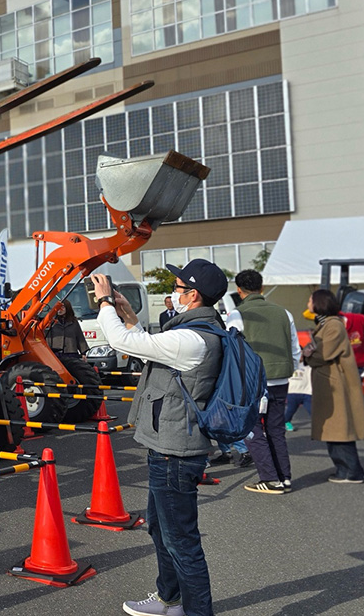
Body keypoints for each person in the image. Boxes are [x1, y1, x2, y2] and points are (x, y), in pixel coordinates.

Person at [93, 259, 228, 616]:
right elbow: (144, 344)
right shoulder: (196, 331)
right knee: (160, 528)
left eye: (179, 286)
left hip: (175, 453)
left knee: (182, 542)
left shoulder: (192, 338)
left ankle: (195, 610)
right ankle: (170, 599)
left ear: (193, 295)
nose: (174, 290)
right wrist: (128, 314)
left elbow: (121, 341)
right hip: (167, 447)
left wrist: (106, 302)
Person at [224, 269, 300, 494]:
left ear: (239, 290)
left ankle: (270, 478)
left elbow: (233, 350)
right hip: (281, 378)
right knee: (276, 429)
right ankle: (284, 477)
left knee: (252, 429)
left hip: (253, 382)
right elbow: (294, 347)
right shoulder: (284, 313)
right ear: (262, 287)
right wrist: (289, 370)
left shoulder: (237, 314)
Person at [302, 289, 364, 484]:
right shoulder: (328, 324)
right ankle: (344, 470)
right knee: (335, 430)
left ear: (319, 303)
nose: (308, 303)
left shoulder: (333, 325)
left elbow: (323, 353)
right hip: (331, 384)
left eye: (311, 300)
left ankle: (353, 472)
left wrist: (308, 354)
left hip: (336, 385)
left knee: (340, 431)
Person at [284, 365, 312, 431]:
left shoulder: (308, 364)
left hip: (307, 391)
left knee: (311, 410)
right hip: (292, 391)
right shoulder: (290, 363)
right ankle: (286, 422)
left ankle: (319, 425)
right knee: (290, 410)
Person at [338, 309, 364, 375]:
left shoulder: (359, 319)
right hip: (340, 368)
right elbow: (308, 314)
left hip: (361, 366)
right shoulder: (326, 328)